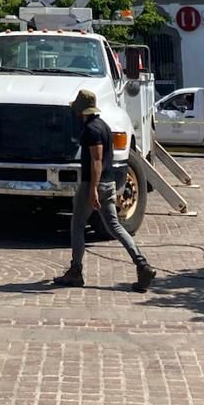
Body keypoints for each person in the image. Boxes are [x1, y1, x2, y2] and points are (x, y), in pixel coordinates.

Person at [53, 89, 156, 293]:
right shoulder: (104, 126)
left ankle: (75, 271)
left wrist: (92, 189)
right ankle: (142, 264)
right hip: (109, 184)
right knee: (115, 226)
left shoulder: (91, 130)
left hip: (93, 185)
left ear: (81, 111)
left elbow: (97, 160)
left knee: (77, 225)